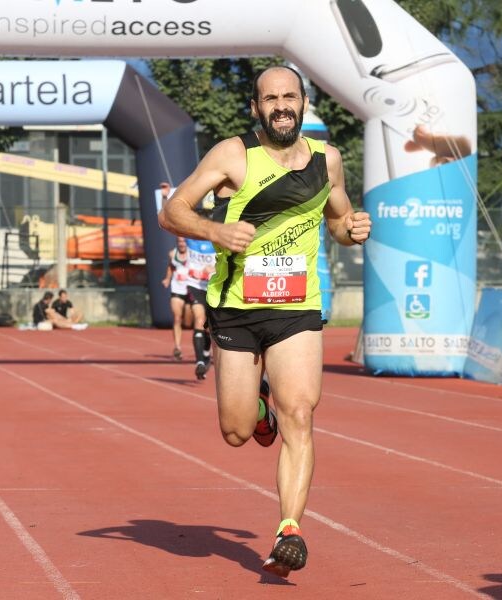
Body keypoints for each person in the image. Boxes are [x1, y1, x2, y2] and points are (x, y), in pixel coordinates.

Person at [158, 65, 372, 577]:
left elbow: (338, 220)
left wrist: (351, 228)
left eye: (289, 97)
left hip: (297, 307)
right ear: (256, 108)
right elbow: (172, 211)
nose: (280, 106)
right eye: (270, 98)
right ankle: (258, 410)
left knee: (301, 413)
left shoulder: (328, 160)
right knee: (235, 432)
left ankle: (289, 531)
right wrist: (215, 230)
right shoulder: (234, 154)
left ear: (303, 103)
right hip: (236, 307)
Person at [185, 235, 216, 379]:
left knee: (208, 326)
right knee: (199, 319)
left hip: (212, 286)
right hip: (194, 285)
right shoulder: (190, 239)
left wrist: (214, 268)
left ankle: (205, 354)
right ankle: (199, 363)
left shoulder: (217, 238)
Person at [161, 237, 192, 360]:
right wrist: (167, 279)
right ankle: (177, 347)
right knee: (177, 318)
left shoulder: (193, 254)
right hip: (177, 289)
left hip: (190, 289)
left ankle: (201, 347)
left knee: (189, 322)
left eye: (184, 242)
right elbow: (171, 267)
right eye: (179, 242)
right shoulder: (172, 254)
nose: (181, 244)